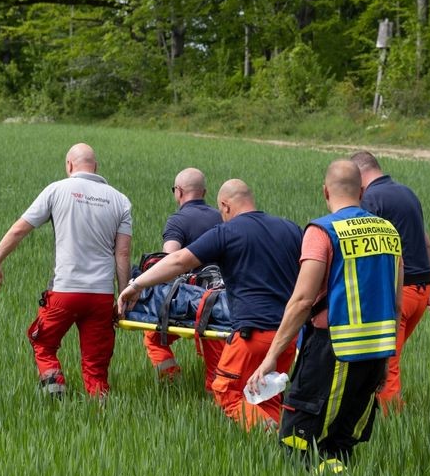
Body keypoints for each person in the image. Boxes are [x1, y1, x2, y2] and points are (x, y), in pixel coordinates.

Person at [248, 160, 403, 472]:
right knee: (340, 441)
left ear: (325, 191)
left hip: (330, 351)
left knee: (297, 435)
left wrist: (270, 358)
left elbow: (303, 299)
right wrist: (387, 360)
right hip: (374, 352)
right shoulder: (389, 232)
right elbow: (394, 304)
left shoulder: (323, 231)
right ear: (361, 191)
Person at [118, 179, 301, 429]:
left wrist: (136, 285)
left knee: (226, 392)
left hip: (251, 335)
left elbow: (178, 261)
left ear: (225, 206)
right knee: (266, 395)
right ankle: (284, 448)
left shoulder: (228, 232)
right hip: (287, 336)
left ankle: (277, 443)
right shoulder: (290, 229)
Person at [0, 143, 132, 398]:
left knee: (42, 342)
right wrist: (123, 295)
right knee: (96, 366)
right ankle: (102, 413)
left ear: (69, 165)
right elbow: (122, 254)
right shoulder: (120, 200)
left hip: (65, 292)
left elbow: (20, 229)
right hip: (101, 295)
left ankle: (55, 396)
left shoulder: (57, 189)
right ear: (96, 167)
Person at [351, 151, 430, 413]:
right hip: (420, 291)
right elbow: (428, 245)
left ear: (360, 175)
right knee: (385, 359)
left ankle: (391, 421)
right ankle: (373, 411)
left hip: (397, 294)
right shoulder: (407, 194)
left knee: (386, 362)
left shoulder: (371, 200)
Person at [142, 168, 226, 386]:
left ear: (178, 192)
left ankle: (172, 381)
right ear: (204, 192)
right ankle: (218, 405)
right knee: (216, 359)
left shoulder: (178, 220)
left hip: (192, 304)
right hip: (224, 302)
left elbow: (170, 260)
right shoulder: (222, 217)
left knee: (154, 338)